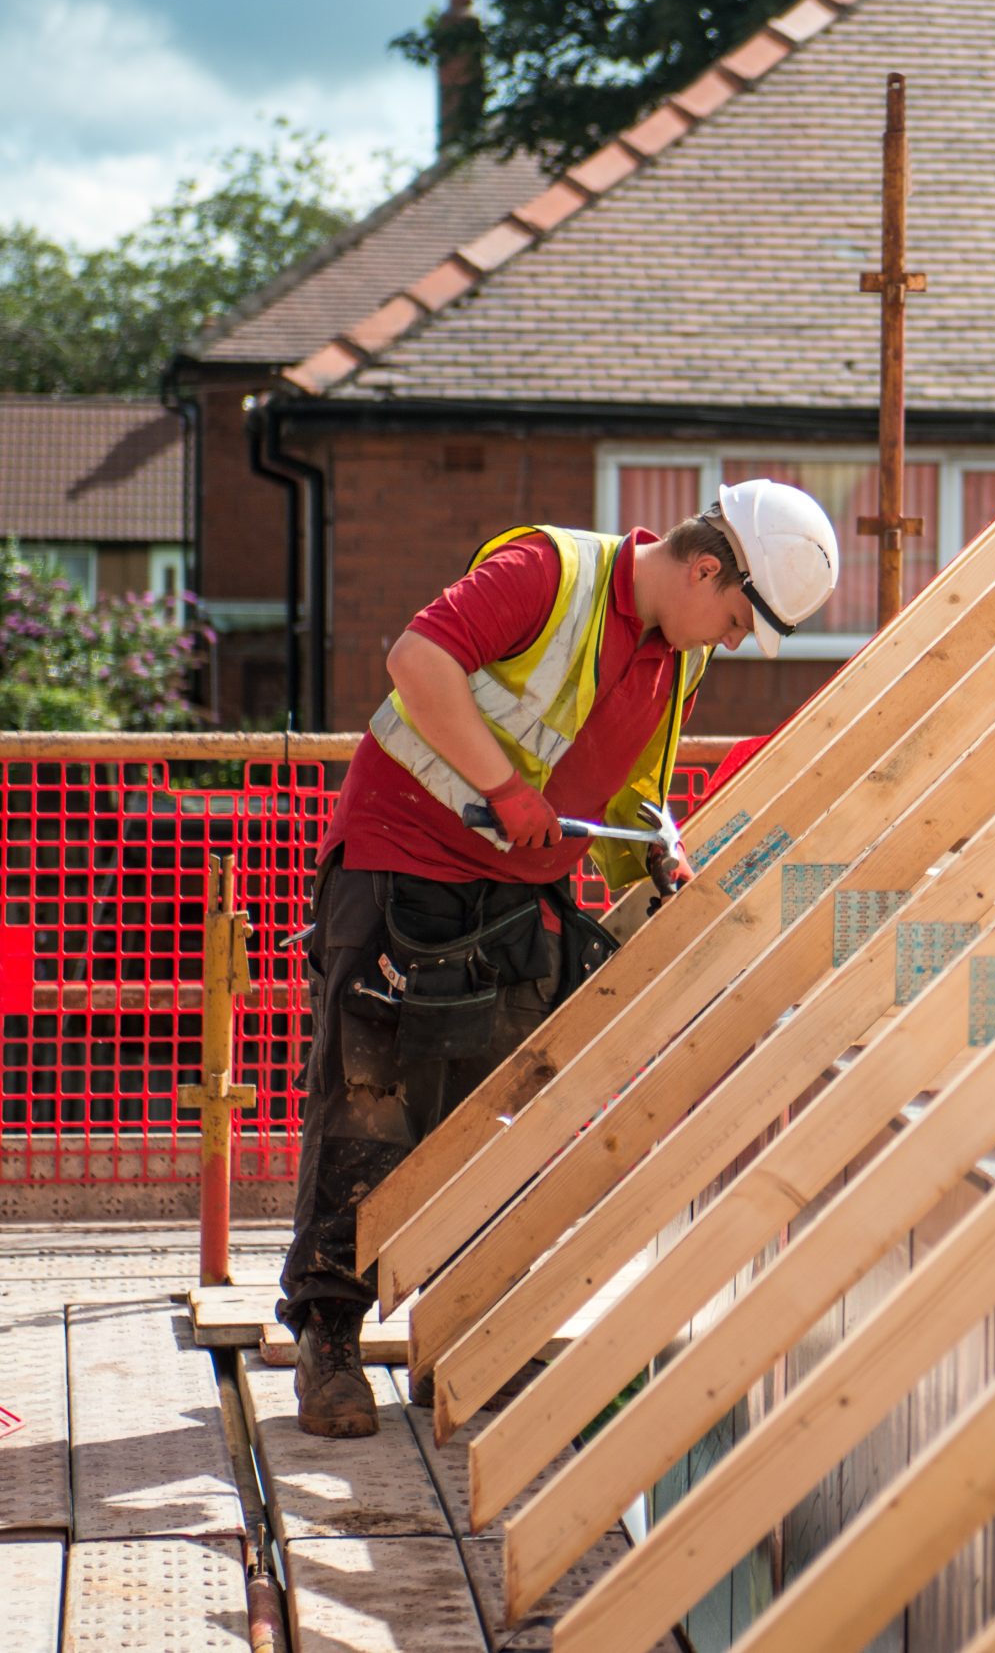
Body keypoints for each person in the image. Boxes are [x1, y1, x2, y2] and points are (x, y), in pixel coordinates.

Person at [281, 480, 838, 1437]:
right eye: (740, 617)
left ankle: (454, 1337)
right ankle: (328, 1343)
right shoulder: (550, 574)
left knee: (496, 1115)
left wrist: (661, 868)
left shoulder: (679, 658)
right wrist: (502, 788)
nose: (737, 639)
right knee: (366, 1102)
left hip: (514, 895)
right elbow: (417, 659)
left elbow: (628, 797)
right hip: (400, 864)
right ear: (707, 568)